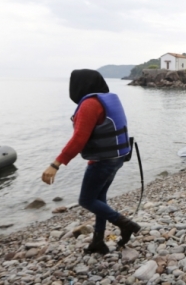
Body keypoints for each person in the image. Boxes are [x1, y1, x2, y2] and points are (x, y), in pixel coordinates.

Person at [42, 69, 140, 254]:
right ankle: (98, 241)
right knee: (98, 198)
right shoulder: (106, 99)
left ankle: (125, 224)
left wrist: (56, 164)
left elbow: (79, 139)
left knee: (86, 200)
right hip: (117, 157)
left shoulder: (89, 105)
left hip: (105, 161)